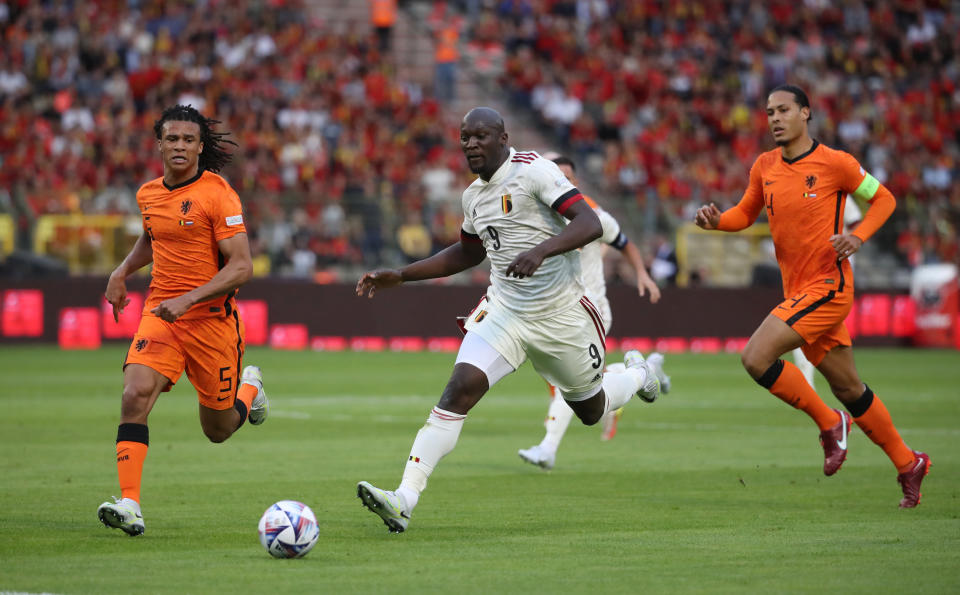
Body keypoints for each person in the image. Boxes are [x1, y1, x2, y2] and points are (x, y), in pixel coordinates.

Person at [355, 107, 664, 532]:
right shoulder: (473, 197)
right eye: (464, 137)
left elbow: (590, 223)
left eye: (480, 136)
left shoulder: (534, 171)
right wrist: (403, 275)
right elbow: (467, 252)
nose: (470, 144)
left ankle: (639, 374)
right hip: (505, 311)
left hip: (562, 316)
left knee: (591, 410)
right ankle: (404, 498)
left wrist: (542, 250)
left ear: (503, 138)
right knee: (458, 389)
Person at [694, 85, 930, 508]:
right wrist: (717, 223)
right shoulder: (764, 166)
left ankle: (829, 423)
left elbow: (884, 199)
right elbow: (744, 214)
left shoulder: (836, 163)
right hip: (800, 291)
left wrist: (857, 237)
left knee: (755, 357)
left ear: (806, 113)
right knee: (849, 388)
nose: (774, 119)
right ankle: (908, 462)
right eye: (769, 112)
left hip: (829, 287)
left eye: (784, 110)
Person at [98, 105, 269, 536]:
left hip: (211, 323)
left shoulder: (218, 194)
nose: (179, 146)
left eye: (188, 140)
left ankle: (250, 388)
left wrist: (189, 299)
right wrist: (121, 272)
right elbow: (154, 236)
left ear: (199, 146)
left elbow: (242, 267)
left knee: (219, 429)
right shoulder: (148, 194)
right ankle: (130, 504)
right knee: (134, 394)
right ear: (159, 144)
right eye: (172, 139)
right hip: (161, 315)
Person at [518, 154, 668, 471]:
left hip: (591, 309)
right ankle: (646, 369)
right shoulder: (537, 212)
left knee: (570, 385)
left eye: (570, 178)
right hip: (557, 309)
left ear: (575, 182)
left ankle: (547, 449)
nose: (565, 182)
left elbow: (624, 243)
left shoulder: (592, 212)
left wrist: (641, 272)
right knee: (580, 386)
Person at [792, 195, 862, 388]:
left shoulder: (835, 191)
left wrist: (851, 242)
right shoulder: (800, 192)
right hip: (809, 263)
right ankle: (812, 378)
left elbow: (856, 222)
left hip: (837, 266)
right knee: (805, 321)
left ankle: (840, 382)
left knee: (811, 322)